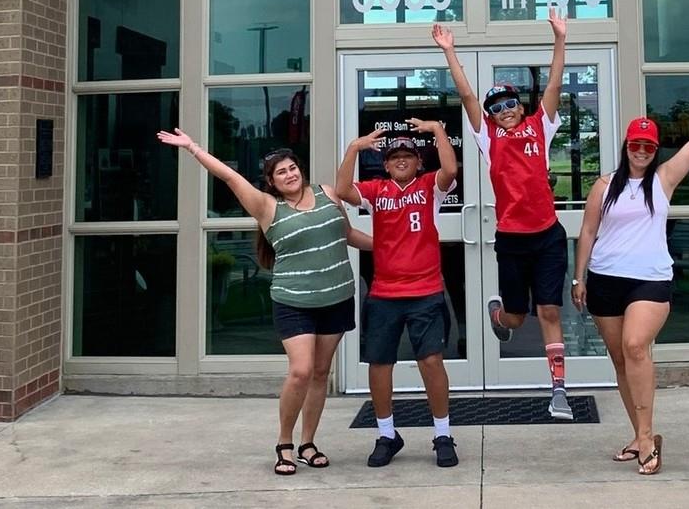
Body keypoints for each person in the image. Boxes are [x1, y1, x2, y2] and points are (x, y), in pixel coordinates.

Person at [155, 128, 372, 477]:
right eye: (281, 172)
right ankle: (284, 443)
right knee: (301, 371)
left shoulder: (328, 193)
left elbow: (348, 236)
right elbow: (228, 175)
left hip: (336, 296)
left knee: (320, 373)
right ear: (271, 182)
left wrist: (391, 247)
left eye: (292, 167)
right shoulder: (267, 207)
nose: (290, 174)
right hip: (294, 301)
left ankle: (308, 443)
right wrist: (193, 147)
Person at [572, 90, 689, 476]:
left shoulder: (665, 179)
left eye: (648, 146)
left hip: (649, 281)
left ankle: (649, 437)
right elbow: (587, 232)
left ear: (655, 149)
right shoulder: (604, 185)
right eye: (636, 144)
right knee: (620, 359)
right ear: (626, 146)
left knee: (636, 346)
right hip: (604, 279)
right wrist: (578, 277)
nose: (641, 151)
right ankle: (638, 435)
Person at [432, 9, 573, 419]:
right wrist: (450, 53)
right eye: (498, 106)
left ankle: (559, 390)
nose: (505, 109)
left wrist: (560, 39)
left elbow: (555, 82)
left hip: (547, 235)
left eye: (510, 102)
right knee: (514, 316)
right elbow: (468, 97)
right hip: (511, 240)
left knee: (548, 310)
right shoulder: (489, 138)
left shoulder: (538, 126)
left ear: (520, 104)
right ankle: (499, 313)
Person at [336, 118, 460, 468]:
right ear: (386, 164)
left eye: (408, 155)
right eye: (394, 157)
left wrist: (437, 131)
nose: (401, 160)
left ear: (419, 161)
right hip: (385, 292)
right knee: (379, 363)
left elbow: (450, 169)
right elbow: (344, 190)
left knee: (431, 361)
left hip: (426, 290)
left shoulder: (428, 187)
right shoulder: (377, 191)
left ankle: (442, 434)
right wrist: (353, 149)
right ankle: (387, 434)